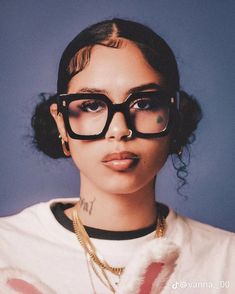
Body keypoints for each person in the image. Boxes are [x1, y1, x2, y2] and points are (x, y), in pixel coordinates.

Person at [0, 18, 234, 294]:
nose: (119, 130)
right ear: (61, 123)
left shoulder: (226, 260)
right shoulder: (7, 250)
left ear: (174, 116)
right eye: (91, 105)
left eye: (144, 103)